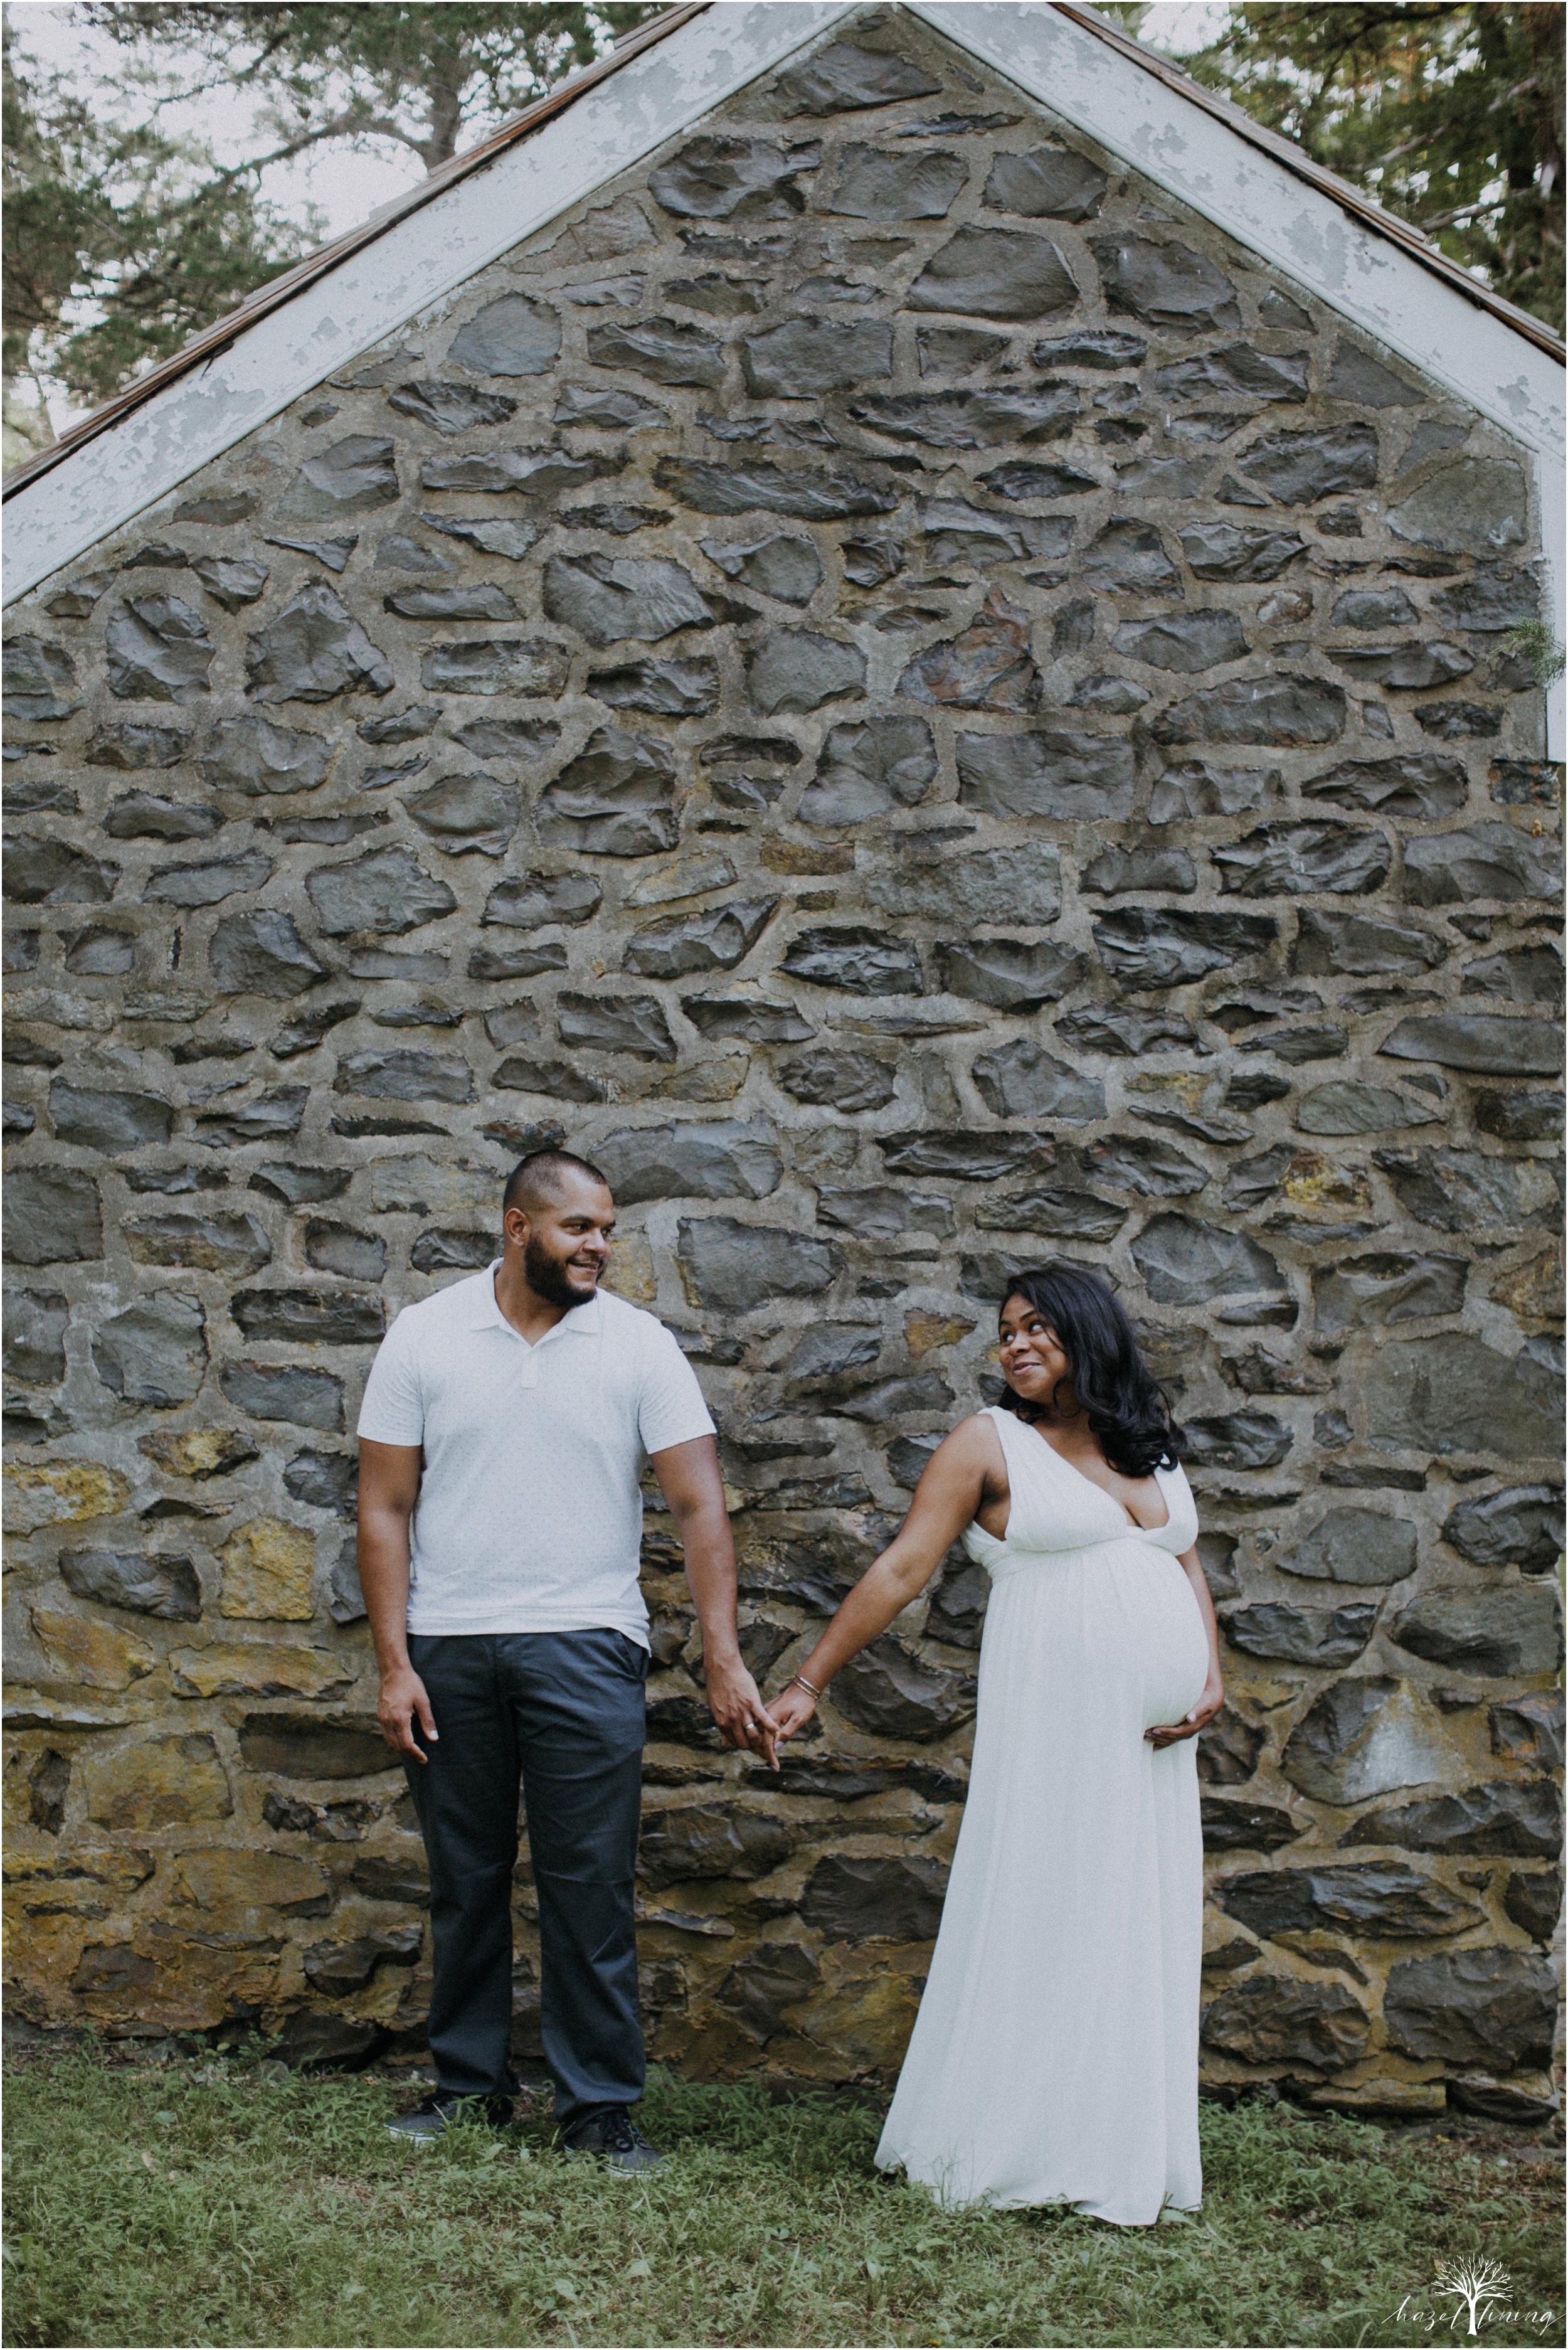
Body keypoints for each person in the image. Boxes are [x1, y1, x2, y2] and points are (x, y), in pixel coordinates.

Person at [765, 1262, 1224, 2226]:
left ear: (1089, 1334)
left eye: (1037, 1328)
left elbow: (1184, 1558)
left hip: (1153, 1740)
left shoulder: (1144, 1438)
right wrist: (811, 1679)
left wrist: (1209, 1670)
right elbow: (902, 1566)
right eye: (1006, 1329)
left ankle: (1115, 2138)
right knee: (1049, 1905)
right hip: (1057, 1716)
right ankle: (1019, 2136)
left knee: (1133, 1915)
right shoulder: (989, 1441)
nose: (1014, 1344)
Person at [356, 1147, 777, 2172]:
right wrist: (393, 1662)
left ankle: (597, 2108)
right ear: (517, 1228)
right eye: (578, 1228)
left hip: (589, 1642)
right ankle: (469, 2089)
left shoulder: (639, 1345)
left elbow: (697, 1503)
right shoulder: (425, 1334)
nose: (598, 1246)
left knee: (589, 1884)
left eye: (606, 1230)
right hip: (449, 1644)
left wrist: (721, 1654)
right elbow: (383, 1504)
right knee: (467, 1879)